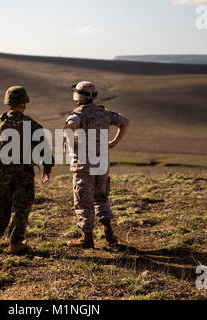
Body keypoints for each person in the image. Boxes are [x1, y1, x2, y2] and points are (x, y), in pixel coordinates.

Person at [0, 86, 53, 254]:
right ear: (24, 103)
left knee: (0, 206)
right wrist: (47, 169)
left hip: (2, 172)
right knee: (21, 208)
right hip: (24, 174)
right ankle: (16, 243)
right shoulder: (33, 125)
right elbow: (46, 150)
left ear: (8, 103)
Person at [65, 81, 129, 249]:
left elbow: (71, 126)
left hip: (84, 164)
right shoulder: (105, 113)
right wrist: (114, 142)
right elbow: (125, 121)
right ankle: (109, 233)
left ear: (78, 96)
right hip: (102, 162)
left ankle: (87, 238)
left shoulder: (78, 114)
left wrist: (76, 139)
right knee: (101, 197)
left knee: (83, 200)